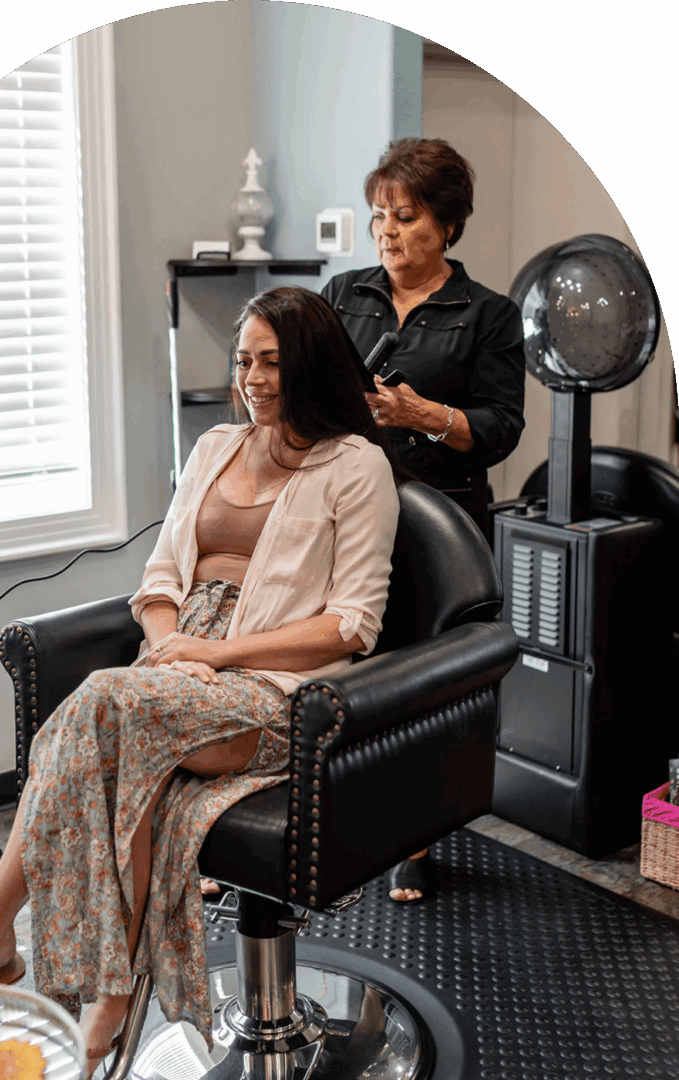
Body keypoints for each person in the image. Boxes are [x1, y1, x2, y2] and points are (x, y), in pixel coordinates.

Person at [0, 286, 399, 1078]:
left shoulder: (357, 467)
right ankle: (85, 988)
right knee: (117, 721)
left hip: (271, 694)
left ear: (311, 366)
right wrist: (168, 645)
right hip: (174, 669)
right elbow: (157, 580)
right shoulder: (214, 447)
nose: (251, 377)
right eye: (243, 359)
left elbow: (350, 624)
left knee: (100, 706)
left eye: (272, 362)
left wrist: (215, 656)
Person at [321, 137, 526, 904]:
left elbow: (500, 429)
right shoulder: (344, 294)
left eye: (404, 217)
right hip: (348, 509)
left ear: (445, 225)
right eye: (377, 216)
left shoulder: (488, 315)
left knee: (418, 683)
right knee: (349, 662)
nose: (386, 231)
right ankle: (341, 816)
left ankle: (415, 836)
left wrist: (422, 414)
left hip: (439, 520)